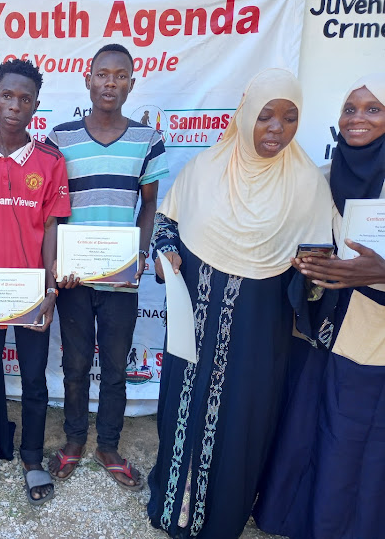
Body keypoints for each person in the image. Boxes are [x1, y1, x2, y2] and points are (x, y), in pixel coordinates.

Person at [146, 69, 334, 538]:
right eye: (266, 116)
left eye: (290, 118)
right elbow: (168, 223)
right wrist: (165, 251)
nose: (276, 129)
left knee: (243, 419)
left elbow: (319, 264)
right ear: (246, 115)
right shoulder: (206, 167)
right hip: (196, 320)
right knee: (183, 411)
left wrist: (312, 275)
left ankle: (223, 517)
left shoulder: (308, 183)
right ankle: (173, 506)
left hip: (258, 330)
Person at [254, 73, 385, 539]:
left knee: (352, 435)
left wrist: (381, 273)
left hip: (371, 335)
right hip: (317, 324)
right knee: (306, 421)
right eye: (350, 109)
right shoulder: (324, 177)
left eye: (373, 109)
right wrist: (308, 261)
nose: (358, 119)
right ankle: (291, 517)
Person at [45, 43, 168, 491]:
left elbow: (149, 206)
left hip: (121, 278)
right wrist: (57, 262)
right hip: (75, 277)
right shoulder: (60, 138)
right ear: (87, 79)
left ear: (131, 84)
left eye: (120, 76)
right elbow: (54, 210)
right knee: (76, 363)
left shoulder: (148, 140)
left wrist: (137, 255)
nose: (110, 83)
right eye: (102, 74)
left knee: (115, 366)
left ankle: (109, 445)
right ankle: (75, 439)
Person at [0, 59, 71, 505]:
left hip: (30, 294)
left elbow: (53, 230)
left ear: (36, 105)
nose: (14, 105)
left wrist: (50, 293)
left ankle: (33, 458)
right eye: (7, 95)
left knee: (35, 379)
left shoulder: (49, 163)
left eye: (25, 98)